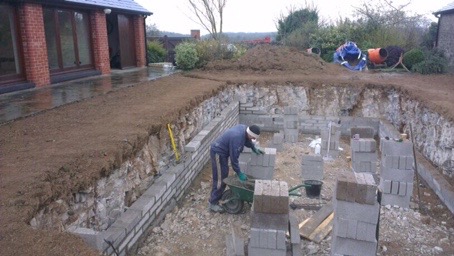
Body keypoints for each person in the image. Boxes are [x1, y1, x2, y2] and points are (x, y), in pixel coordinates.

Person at [208, 124, 265, 213]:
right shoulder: (237, 138)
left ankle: (218, 196)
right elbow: (234, 159)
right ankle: (212, 203)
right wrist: (239, 173)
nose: (253, 139)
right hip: (218, 152)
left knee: (224, 175)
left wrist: (253, 147)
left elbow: (246, 140)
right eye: (253, 137)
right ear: (249, 133)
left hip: (224, 153)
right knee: (220, 179)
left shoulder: (244, 129)